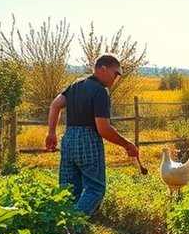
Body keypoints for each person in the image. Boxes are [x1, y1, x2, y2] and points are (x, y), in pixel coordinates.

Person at [45, 54, 139, 215]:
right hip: (87, 140)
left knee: (68, 189)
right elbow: (103, 129)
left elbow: (55, 105)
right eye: (116, 73)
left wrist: (52, 133)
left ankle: (62, 227)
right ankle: (74, 225)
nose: (116, 78)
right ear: (104, 69)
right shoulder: (100, 92)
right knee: (95, 189)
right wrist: (127, 144)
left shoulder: (75, 85)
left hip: (68, 139)